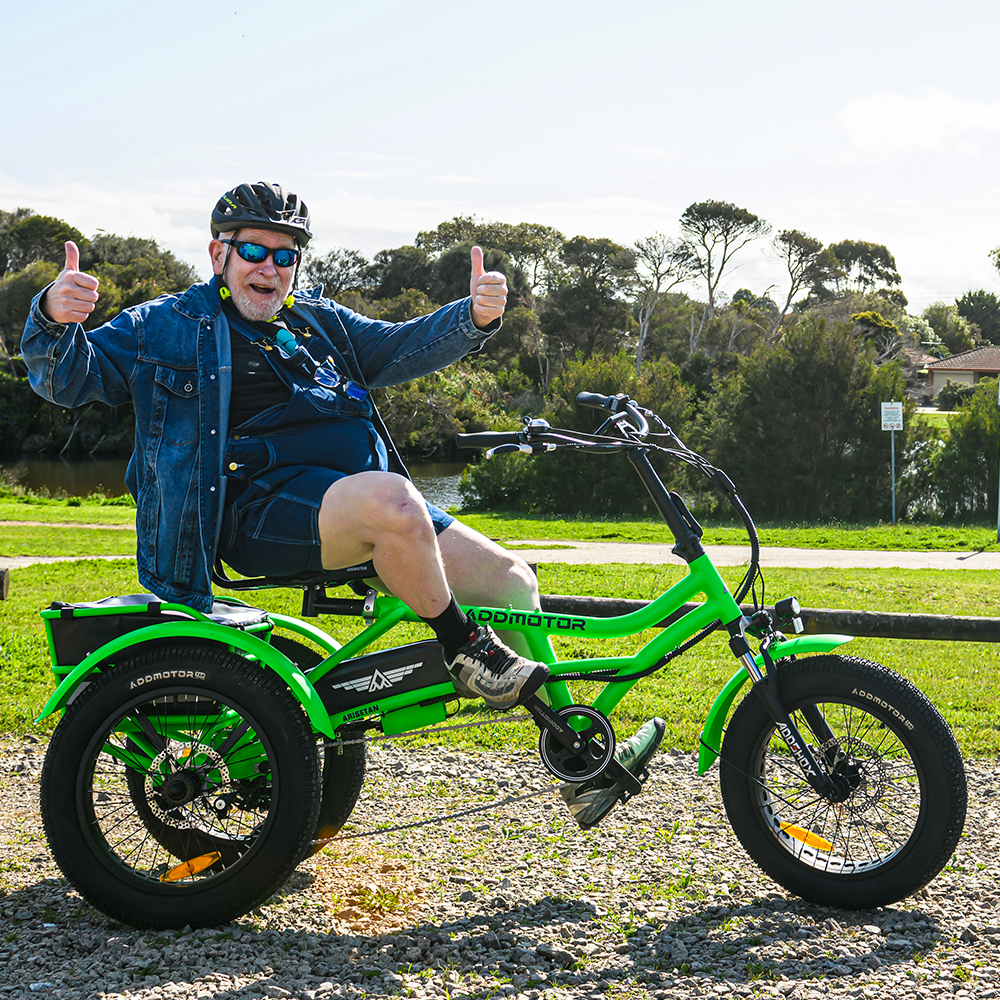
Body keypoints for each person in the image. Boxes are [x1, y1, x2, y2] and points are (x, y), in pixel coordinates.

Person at [21, 181, 664, 828]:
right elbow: (68, 379)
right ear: (219, 254)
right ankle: (467, 649)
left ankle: (582, 764)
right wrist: (53, 315)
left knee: (510, 580)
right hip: (252, 510)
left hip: (359, 506)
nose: (270, 267)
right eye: (253, 250)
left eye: (285, 255)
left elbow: (401, 345)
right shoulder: (165, 326)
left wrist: (473, 317)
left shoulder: (318, 323)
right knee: (395, 501)